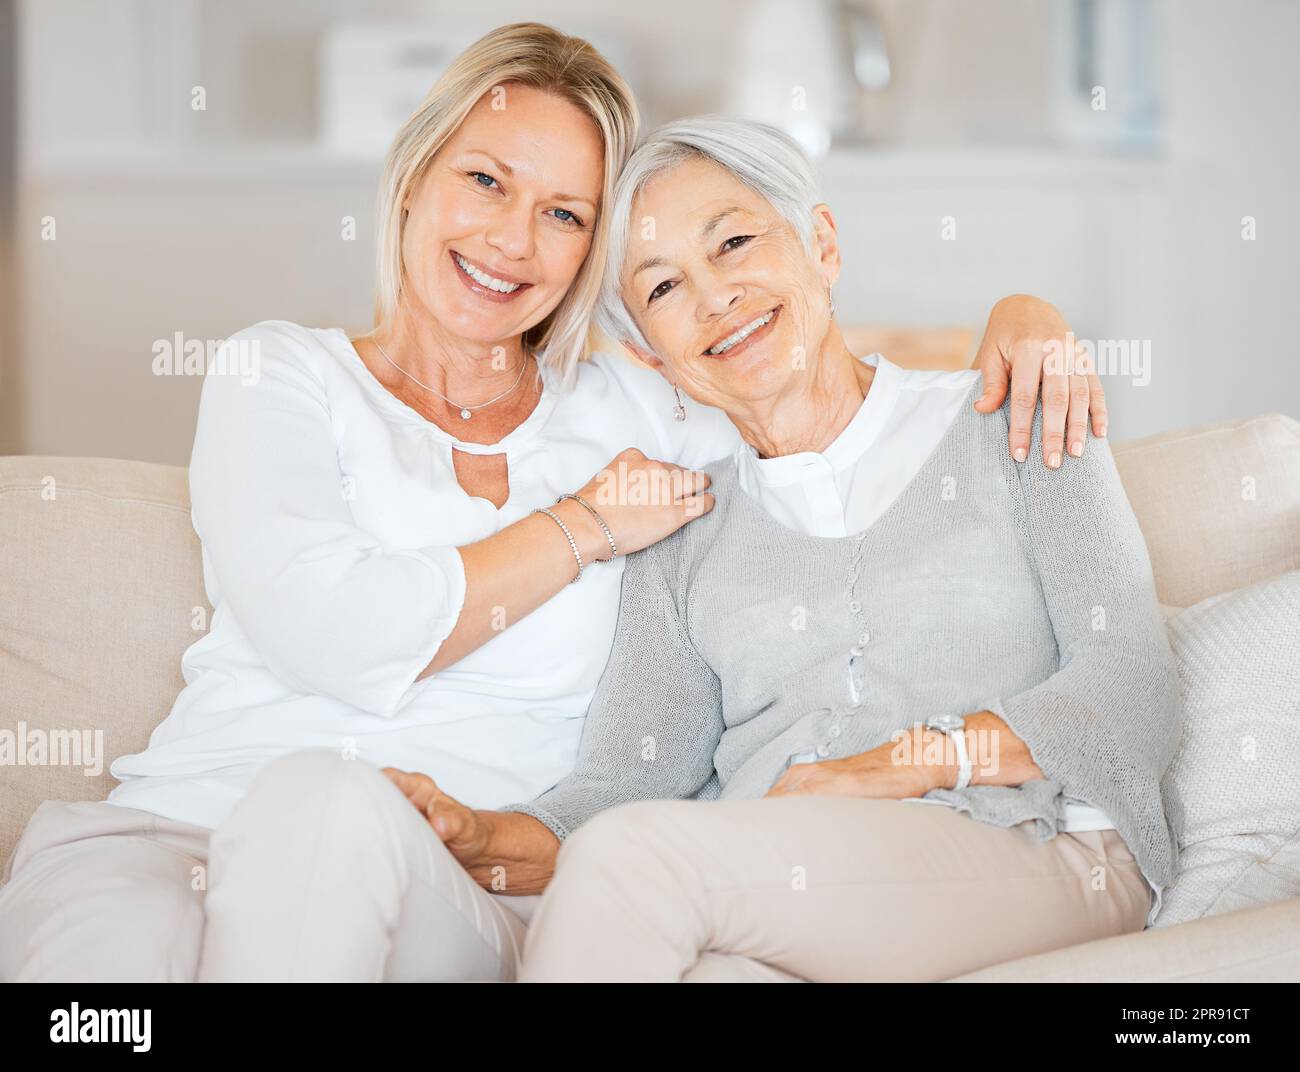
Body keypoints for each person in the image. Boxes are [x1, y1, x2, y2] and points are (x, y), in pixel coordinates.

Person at [0, 25, 1106, 983]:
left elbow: (814, 384)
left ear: (592, 256)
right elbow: (335, 634)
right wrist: (577, 529)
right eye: (485, 181)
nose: (512, 241)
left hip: (460, 880)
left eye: (565, 213)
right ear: (417, 171)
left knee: (324, 803)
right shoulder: (276, 374)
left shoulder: (638, 402)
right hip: (171, 826)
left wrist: (1021, 317)